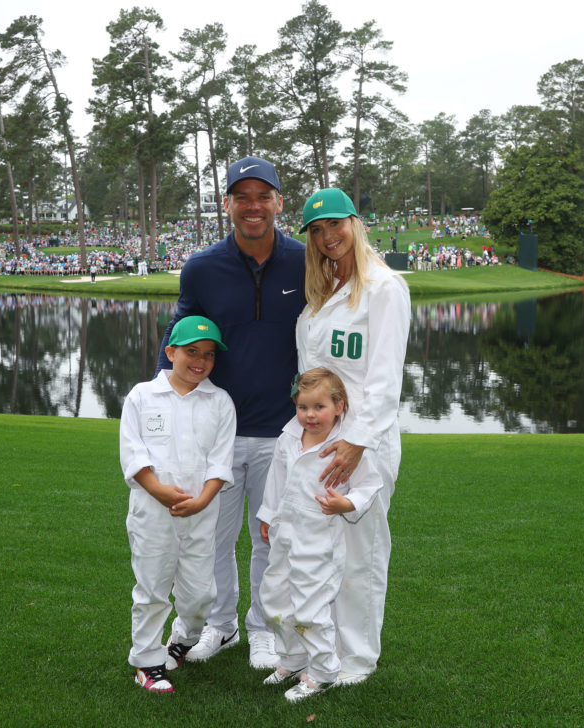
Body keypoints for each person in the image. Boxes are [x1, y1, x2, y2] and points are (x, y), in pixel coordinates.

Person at [156, 156, 306, 670]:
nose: (253, 206)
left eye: (263, 196)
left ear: (279, 203)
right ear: (227, 205)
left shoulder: (304, 262)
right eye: (241, 196)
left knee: (270, 536)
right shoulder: (201, 267)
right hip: (216, 430)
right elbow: (178, 338)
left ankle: (263, 628)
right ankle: (222, 626)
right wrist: (162, 400)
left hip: (283, 429)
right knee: (215, 540)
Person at [295, 188, 411, 685]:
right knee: (321, 550)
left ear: (356, 223)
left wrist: (358, 440)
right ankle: (321, 649)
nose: (328, 237)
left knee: (361, 551)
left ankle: (358, 659)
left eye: (335, 225)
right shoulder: (321, 295)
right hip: (322, 438)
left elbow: (386, 379)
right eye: (317, 231)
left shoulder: (383, 287)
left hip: (366, 442)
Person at [119, 315, 237, 693]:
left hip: (202, 514)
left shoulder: (220, 402)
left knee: (201, 592)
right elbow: (133, 454)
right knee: (152, 588)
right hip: (152, 513)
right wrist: (158, 489)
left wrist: (203, 499)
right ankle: (147, 661)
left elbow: (221, 460)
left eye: (208, 354)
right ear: (170, 352)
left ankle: (183, 640)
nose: (200, 360)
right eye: (191, 351)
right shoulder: (142, 396)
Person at [257, 368, 383, 702]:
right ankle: (293, 658)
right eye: (303, 407)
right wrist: (269, 515)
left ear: (339, 406)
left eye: (319, 407)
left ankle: (324, 670)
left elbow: (371, 484)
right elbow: (276, 478)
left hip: (319, 538)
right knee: (274, 598)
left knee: (311, 606)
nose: (310, 416)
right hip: (286, 531)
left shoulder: (347, 446)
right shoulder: (288, 437)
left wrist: (347, 502)